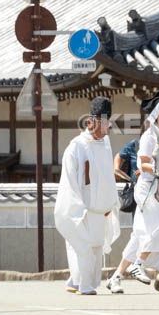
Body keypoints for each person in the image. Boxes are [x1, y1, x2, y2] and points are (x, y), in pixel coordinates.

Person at [108, 94, 159, 293]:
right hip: (149, 189)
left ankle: (116, 277)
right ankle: (138, 263)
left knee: (139, 236)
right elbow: (143, 163)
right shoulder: (150, 135)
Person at [55, 97, 120, 295]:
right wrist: (77, 207)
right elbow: (69, 180)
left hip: (99, 208)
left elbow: (107, 175)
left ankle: (77, 281)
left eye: (106, 123)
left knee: (96, 247)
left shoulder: (106, 143)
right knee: (81, 246)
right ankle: (84, 285)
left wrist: (110, 202)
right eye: (99, 123)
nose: (103, 128)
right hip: (81, 208)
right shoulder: (76, 146)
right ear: (90, 122)